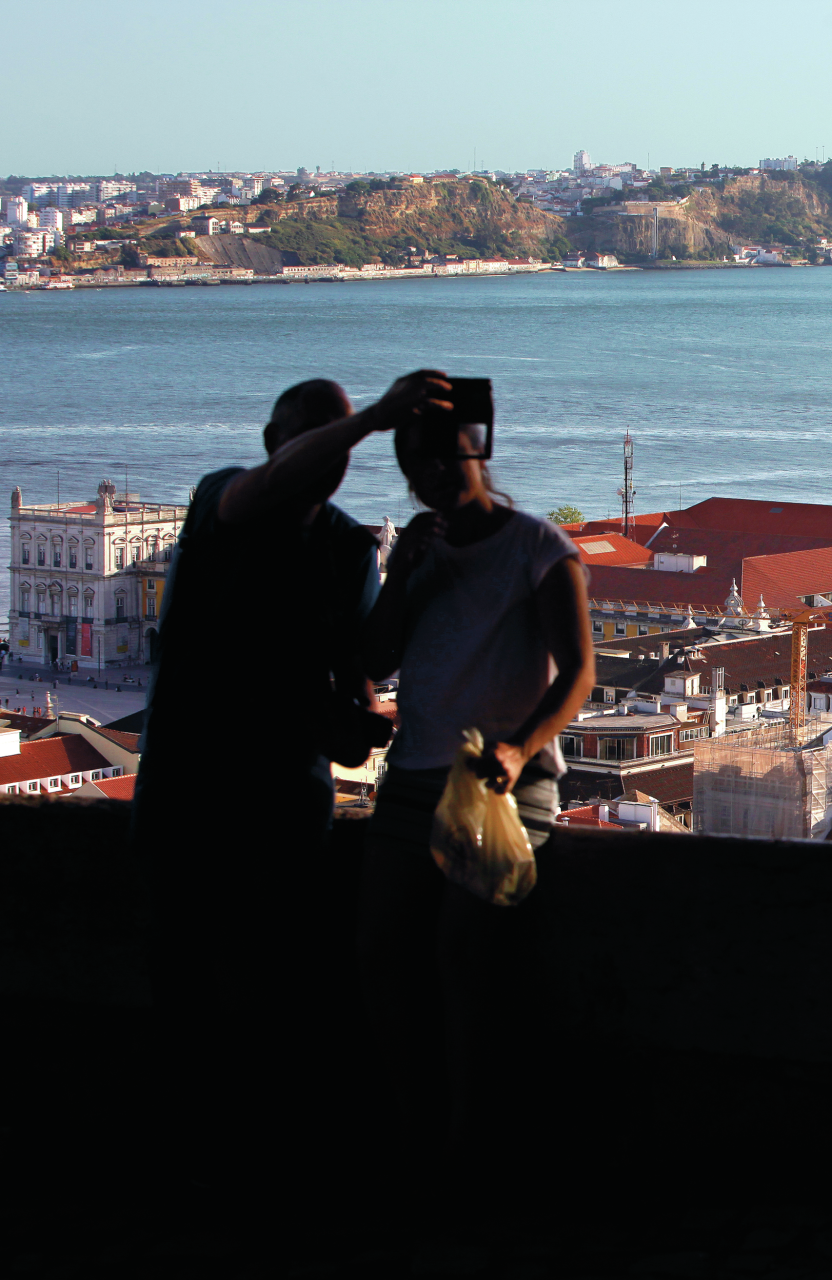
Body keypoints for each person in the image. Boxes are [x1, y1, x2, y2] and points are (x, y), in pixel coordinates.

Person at [132, 370, 449, 1166]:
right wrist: (377, 416)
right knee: (187, 965)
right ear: (279, 444)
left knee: (263, 969)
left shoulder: (348, 549)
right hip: (193, 784)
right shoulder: (221, 499)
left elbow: (353, 681)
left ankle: (246, 1143)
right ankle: (200, 1139)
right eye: (312, 433)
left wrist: (360, 716)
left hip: (274, 792)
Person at [356, 410, 594, 1154]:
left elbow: (579, 672)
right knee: (381, 952)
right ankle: (411, 1120)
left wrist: (522, 750)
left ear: (475, 455)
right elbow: (372, 653)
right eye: (413, 471)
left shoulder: (539, 548)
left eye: (439, 464)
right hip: (413, 773)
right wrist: (399, 576)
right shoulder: (420, 553)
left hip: (500, 783)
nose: (428, 481)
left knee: (463, 956)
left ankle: (462, 1134)